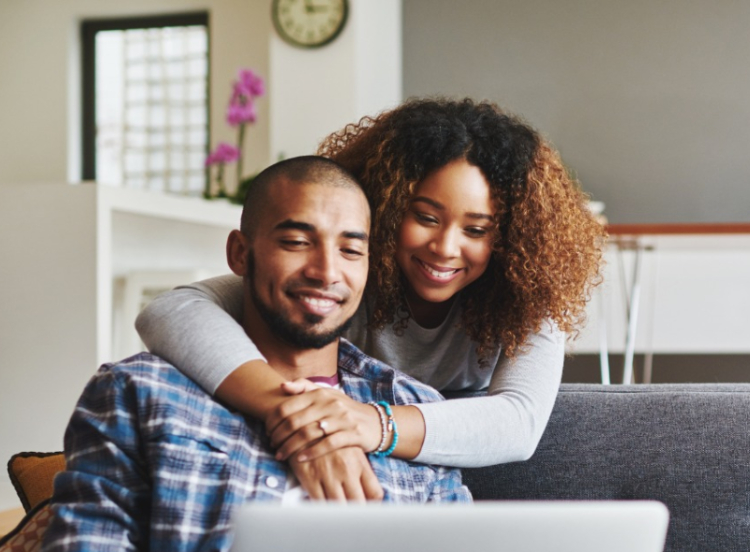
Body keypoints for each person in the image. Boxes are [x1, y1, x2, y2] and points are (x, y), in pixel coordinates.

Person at [32, 156, 471, 552]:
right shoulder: (139, 396)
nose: (325, 271)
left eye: (351, 250)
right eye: (296, 241)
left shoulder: (411, 414)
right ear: (241, 254)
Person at [137, 96, 606, 500]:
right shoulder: (341, 280)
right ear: (386, 204)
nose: (445, 248)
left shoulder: (522, 301)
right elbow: (171, 311)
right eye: (425, 217)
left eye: (477, 230)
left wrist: (368, 424)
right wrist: (307, 418)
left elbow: (517, 423)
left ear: (510, 239)